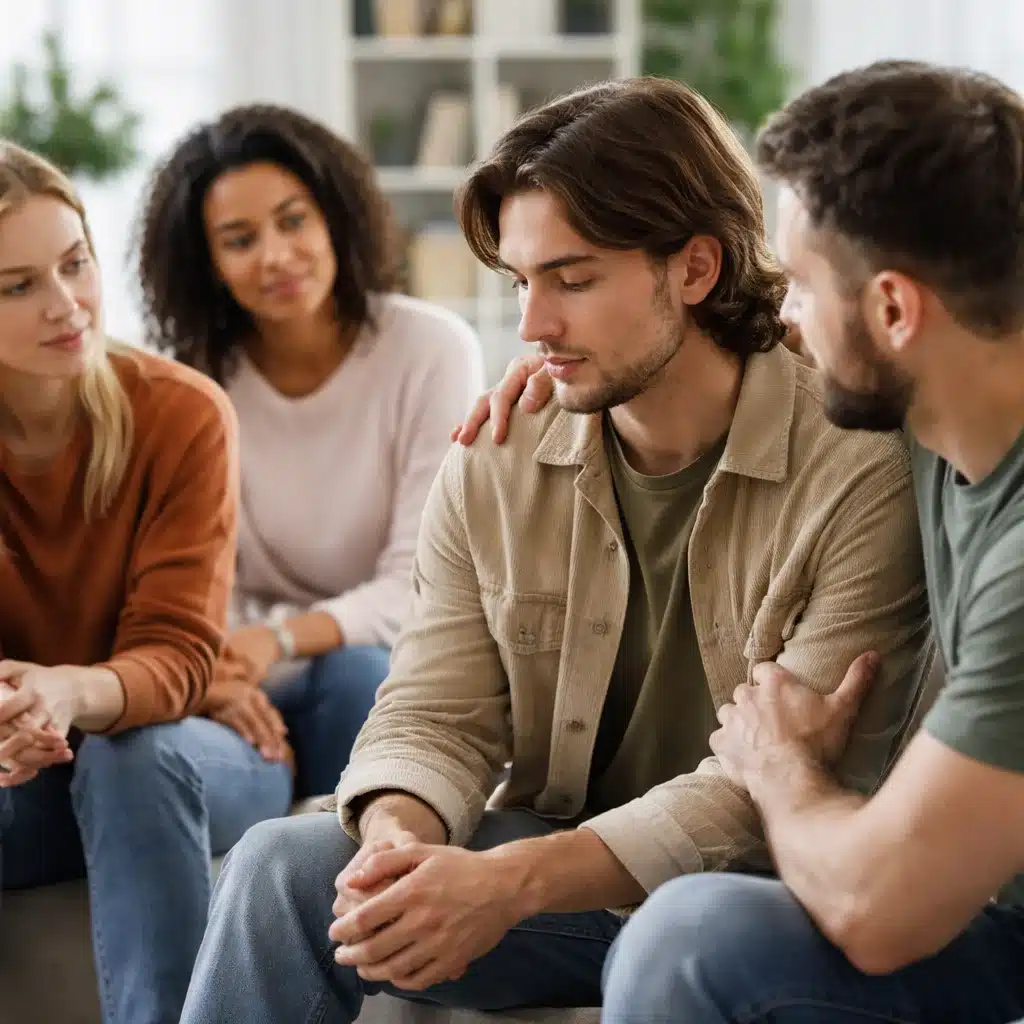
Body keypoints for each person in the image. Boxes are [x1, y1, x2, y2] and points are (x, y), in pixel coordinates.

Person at [179, 77, 933, 1023]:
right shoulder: (497, 451)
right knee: (281, 864)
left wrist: (513, 882)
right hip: (561, 871)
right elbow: (434, 709)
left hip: (756, 893)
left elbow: (781, 786)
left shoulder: (856, 464)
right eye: (521, 283)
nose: (534, 327)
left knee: (690, 919)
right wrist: (395, 847)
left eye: (573, 281)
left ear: (695, 269)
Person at [595, 61, 1024, 1024]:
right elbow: (731, 360)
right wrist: (572, 377)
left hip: (977, 928)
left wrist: (779, 762)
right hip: (981, 904)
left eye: (798, 287)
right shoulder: (949, 405)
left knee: (688, 936)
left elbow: (878, 914)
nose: (782, 314)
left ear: (894, 311)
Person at [0, 142, 287, 1024]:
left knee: (134, 755)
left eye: (76, 263)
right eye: (16, 286)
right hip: (26, 772)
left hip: (183, 753)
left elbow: (176, 659)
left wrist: (66, 693)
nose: (67, 305)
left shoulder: (181, 414)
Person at [135, 104, 483, 798]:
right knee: (140, 750)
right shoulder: (187, 383)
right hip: (231, 682)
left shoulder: (431, 350)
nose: (274, 255)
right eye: (239, 239)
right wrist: (221, 669)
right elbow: (184, 588)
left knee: (360, 672)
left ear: (334, 216)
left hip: (375, 676)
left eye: (293, 220)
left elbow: (424, 583)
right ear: (208, 266)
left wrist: (279, 639)